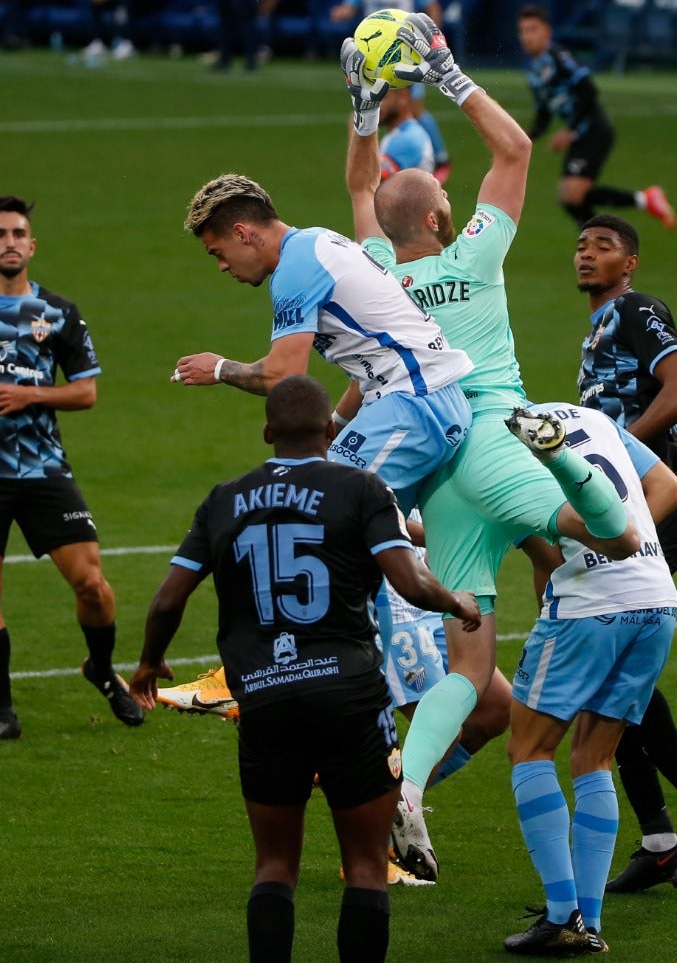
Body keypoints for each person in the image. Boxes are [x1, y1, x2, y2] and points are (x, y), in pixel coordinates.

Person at [343, 15, 638, 883]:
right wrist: (444, 70)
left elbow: (363, 193)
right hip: (495, 438)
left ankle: (410, 781)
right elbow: (514, 154)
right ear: (440, 213)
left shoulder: (375, 274)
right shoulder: (472, 257)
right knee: (612, 533)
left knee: (470, 660)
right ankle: (564, 464)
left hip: (434, 476)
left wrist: (364, 106)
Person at [129, 375, 482, 962]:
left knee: (274, 865)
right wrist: (455, 601)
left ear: (267, 432)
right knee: (367, 865)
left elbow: (169, 598)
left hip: (266, 698)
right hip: (350, 698)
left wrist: (148, 663)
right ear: (328, 430)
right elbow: (408, 580)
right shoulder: (362, 488)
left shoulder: (223, 499)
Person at [0, 195, 143, 743]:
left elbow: (86, 393)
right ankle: (3, 715)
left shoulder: (58, 313)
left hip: (42, 469)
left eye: (18, 233)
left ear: (31, 246)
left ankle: (101, 669)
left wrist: (31, 395)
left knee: (91, 584)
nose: (9, 241)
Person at [572, 213, 677, 893]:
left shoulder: (638, 310)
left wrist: (619, 455)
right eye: (581, 246)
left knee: (612, 656)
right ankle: (664, 836)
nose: (588, 254)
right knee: (608, 667)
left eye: (605, 246)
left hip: (657, 498)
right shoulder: (598, 329)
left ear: (632, 263)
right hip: (625, 501)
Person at [172, 172, 472, 516]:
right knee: (372, 531)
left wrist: (221, 368)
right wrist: (338, 427)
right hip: (429, 402)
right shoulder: (317, 242)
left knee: (319, 508)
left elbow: (283, 377)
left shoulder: (295, 269)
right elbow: (372, 363)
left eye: (217, 253)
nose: (223, 267)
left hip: (415, 407)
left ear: (242, 233)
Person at [500, 400, 677, 957]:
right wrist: (625, 548)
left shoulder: (497, 439)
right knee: (593, 758)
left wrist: (585, 556)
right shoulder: (594, 418)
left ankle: (562, 917)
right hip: (656, 599)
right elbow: (671, 488)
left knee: (529, 749)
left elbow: (544, 548)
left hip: (589, 610)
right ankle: (588, 922)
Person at [516, 5, 676, 230]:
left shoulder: (558, 57)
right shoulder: (534, 71)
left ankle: (639, 206)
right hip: (581, 134)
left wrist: (571, 131)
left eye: (533, 29)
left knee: (572, 194)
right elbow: (544, 112)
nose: (527, 36)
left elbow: (589, 91)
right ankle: (599, 238)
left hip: (594, 130)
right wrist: (524, 137)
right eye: (523, 31)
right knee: (569, 197)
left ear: (547, 32)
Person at [330, 0, 450, 175]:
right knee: (367, 107)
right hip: (373, 56)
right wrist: (342, 12)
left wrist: (434, 40)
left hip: (403, 52)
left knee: (414, 110)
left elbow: (432, 6)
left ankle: (440, 158)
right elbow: (351, 6)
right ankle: (374, 162)